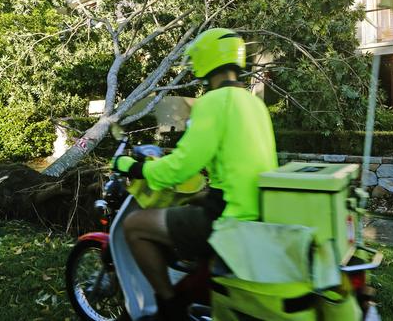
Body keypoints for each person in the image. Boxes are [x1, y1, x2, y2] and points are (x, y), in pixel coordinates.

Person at [113, 28, 277, 320]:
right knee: (190, 205)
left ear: (205, 59)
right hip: (256, 209)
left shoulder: (213, 103)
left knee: (136, 226)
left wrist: (134, 167)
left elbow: (181, 168)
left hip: (228, 217)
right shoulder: (254, 103)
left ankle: (169, 308)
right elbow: (234, 159)